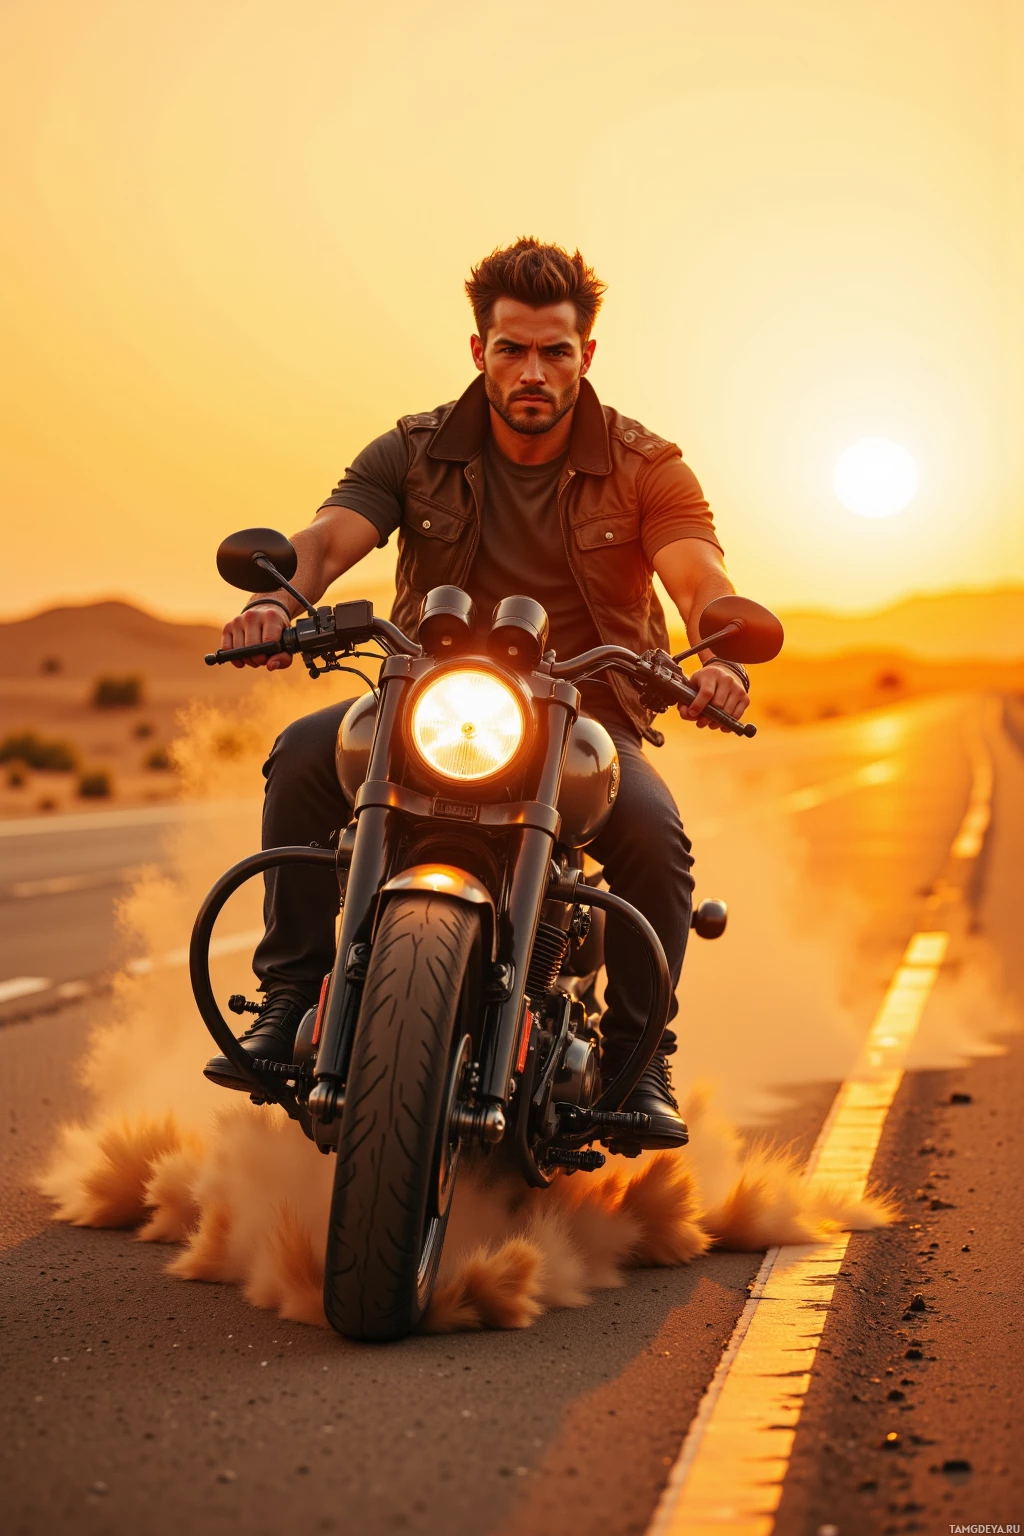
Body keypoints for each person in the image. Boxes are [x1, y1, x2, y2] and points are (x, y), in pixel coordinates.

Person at [204, 238, 750, 1150]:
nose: (532, 371)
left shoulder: (648, 465)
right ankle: (291, 995)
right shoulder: (414, 450)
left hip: (590, 719)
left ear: (586, 355)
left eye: (554, 351)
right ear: (478, 351)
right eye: (512, 349)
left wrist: (722, 654)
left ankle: (636, 1060)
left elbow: (699, 574)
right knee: (303, 753)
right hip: (427, 697)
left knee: (656, 839)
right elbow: (331, 539)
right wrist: (277, 596)